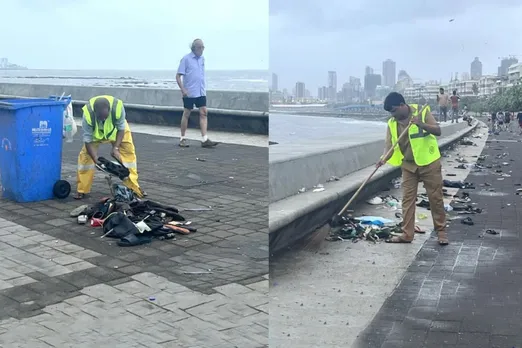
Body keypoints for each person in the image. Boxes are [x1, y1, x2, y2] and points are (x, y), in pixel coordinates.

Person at [377, 92, 448, 245]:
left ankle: (441, 232)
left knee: (435, 198)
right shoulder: (392, 123)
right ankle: (407, 234)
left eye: (394, 110)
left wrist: (419, 124)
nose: (393, 114)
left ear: (403, 105)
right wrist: (383, 159)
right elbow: (389, 146)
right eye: (390, 112)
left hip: (429, 162)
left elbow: (438, 131)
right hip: (409, 165)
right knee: (407, 200)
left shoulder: (421, 112)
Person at [75, 96, 146, 200]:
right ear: (95, 112)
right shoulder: (88, 115)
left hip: (117, 131)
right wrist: (95, 159)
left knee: (128, 155)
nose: (103, 119)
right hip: (96, 134)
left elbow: (121, 129)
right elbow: (88, 140)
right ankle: (81, 190)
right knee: (85, 159)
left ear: (109, 110)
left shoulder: (118, 108)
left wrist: (116, 148)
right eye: (100, 117)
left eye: (105, 117)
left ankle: (134, 188)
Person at [176, 38, 218, 148]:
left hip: (201, 91)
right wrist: (183, 89)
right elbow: (178, 76)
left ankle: (205, 139)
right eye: (200, 47)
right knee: (186, 114)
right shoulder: (186, 59)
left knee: (204, 112)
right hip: (189, 92)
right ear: (194, 48)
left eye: (203, 47)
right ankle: (182, 138)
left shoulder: (202, 59)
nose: (202, 49)